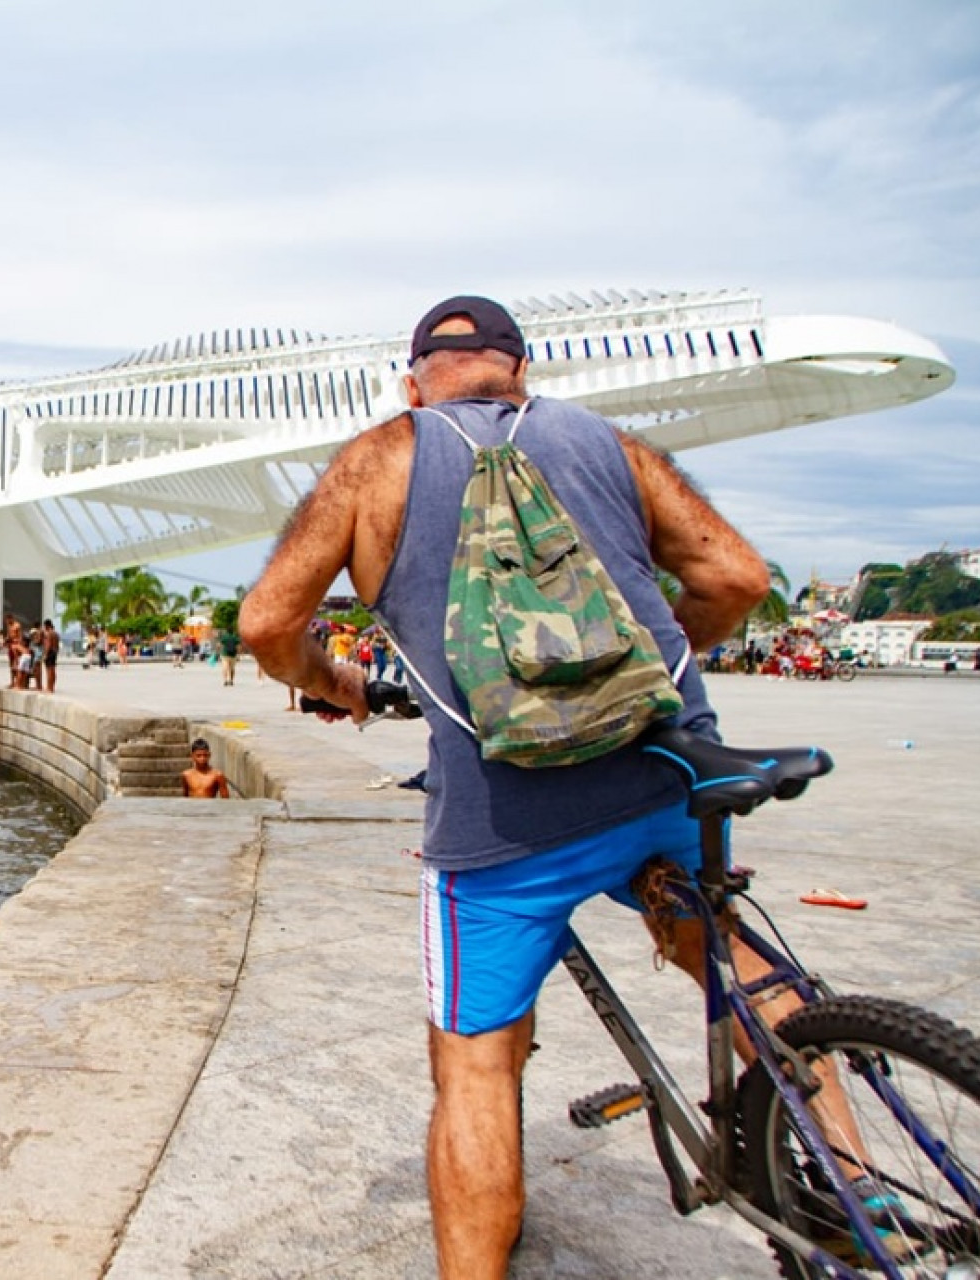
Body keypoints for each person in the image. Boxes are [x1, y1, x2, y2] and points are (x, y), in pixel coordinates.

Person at [240, 295, 775, 1278]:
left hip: (504, 818)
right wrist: (645, 672)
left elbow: (269, 624)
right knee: (734, 967)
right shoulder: (612, 446)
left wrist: (340, 684)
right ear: (520, 369)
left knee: (475, 1068)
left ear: (414, 381)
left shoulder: (376, 459)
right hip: (665, 766)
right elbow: (738, 576)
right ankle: (854, 1173)